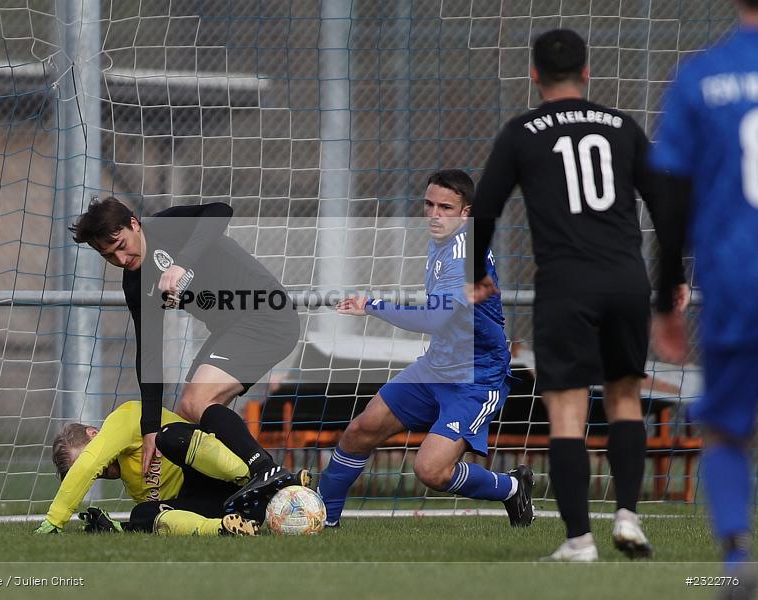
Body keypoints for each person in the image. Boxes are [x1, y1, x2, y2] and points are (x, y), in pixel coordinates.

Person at [468, 29, 688, 561]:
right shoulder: (622, 126)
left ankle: (579, 540)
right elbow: (666, 205)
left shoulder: (522, 132)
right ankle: (628, 515)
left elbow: (487, 207)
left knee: (567, 411)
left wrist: (475, 273)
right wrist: (671, 280)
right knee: (625, 399)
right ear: (587, 72)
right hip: (625, 279)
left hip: (566, 283)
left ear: (534, 75)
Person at [317, 169, 534, 529]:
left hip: (477, 378)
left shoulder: (465, 258)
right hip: (437, 366)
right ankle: (322, 519)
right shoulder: (444, 239)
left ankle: (511, 487)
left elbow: (435, 319)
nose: (434, 214)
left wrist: (372, 305)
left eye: (445, 207)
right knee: (361, 430)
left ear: (465, 213)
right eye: (429, 204)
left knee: (431, 470)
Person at [69, 199, 302, 511]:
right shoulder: (136, 283)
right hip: (232, 329)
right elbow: (149, 354)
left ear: (134, 224)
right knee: (186, 418)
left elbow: (220, 211)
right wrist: (150, 428)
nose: (121, 259)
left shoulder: (164, 228)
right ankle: (233, 502)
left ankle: (266, 471)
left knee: (196, 401)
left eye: (121, 245)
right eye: (109, 256)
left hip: (266, 315)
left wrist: (180, 264)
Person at [650, 1, 758, 592]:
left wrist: (665, 294)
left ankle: (737, 557)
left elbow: (671, 199)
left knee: (726, 427)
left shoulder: (700, 76)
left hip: (736, 278)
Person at [33, 400, 299, 536]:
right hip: (218, 504)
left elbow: (90, 464)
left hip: (219, 467)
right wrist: (118, 527)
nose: (98, 472)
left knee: (179, 430)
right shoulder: (132, 485)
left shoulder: (124, 418)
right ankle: (225, 528)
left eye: (84, 463)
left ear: (94, 434)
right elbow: (170, 514)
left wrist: (55, 519)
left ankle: (262, 473)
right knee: (142, 513)